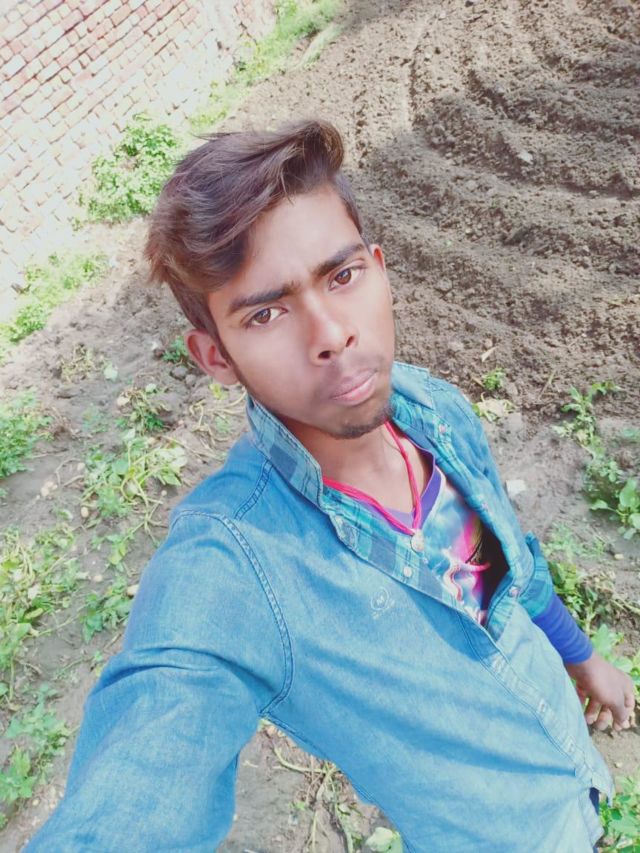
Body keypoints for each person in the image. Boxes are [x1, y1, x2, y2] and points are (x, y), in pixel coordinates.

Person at [28, 120, 634, 852]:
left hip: (574, 764)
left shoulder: (434, 409)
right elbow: (142, 769)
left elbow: (514, 565)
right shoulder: (236, 569)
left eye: (342, 277)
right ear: (216, 356)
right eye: (266, 313)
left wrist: (581, 656)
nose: (331, 335)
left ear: (378, 268)